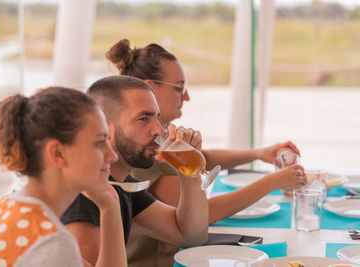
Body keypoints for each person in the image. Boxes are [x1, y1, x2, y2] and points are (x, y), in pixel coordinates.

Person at [106, 39, 306, 267]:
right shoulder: (144, 151)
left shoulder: (135, 171)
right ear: (151, 87)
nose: (187, 96)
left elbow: (204, 162)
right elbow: (202, 215)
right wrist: (272, 181)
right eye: (179, 87)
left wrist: (259, 153)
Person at [0, 87, 126, 267]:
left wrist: (110, 207)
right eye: (100, 143)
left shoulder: (3, 208)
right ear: (58, 154)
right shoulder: (51, 243)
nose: (112, 156)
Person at [60, 75, 209, 266]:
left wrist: (189, 169)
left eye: (157, 117)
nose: (158, 129)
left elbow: (190, 235)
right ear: (104, 126)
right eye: (143, 118)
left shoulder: (120, 183)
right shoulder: (84, 197)